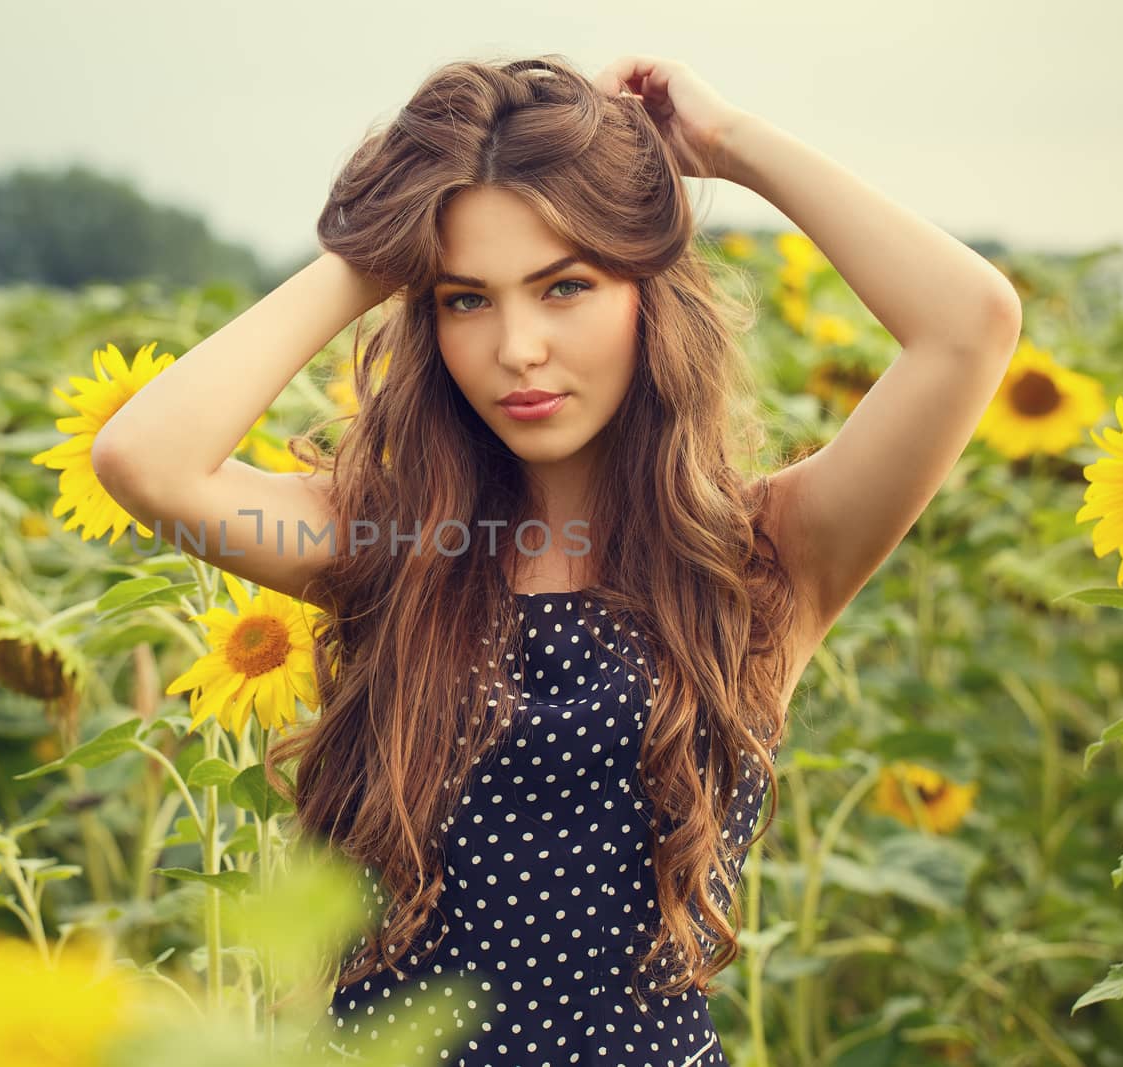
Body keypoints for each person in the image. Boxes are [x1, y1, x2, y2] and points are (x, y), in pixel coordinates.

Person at [92, 52, 1022, 1067]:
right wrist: (374, 243)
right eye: (464, 298)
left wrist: (727, 149)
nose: (518, 346)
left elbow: (968, 324)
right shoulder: (393, 547)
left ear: (645, 292)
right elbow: (145, 459)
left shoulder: (763, 558)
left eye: (563, 285)